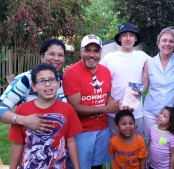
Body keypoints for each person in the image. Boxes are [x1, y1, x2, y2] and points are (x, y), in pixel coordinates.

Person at [8, 63, 82, 169]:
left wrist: (77, 167)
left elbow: (70, 141)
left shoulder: (68, 109)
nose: (47, 84)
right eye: (42, 81)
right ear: (34, 87)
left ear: (58, 83)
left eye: (51, 80)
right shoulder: (22, 110)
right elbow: (17, 143)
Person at [62, 34, 120, 169]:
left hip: (102, 128)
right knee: (81, 166)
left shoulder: (105, 71)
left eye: (96, 51)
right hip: (81, 131)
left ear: (101, 53)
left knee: (98, 166)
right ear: (81, 51)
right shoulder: (71, 73)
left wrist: (117, 105)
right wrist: (106, 109)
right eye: (88, 50)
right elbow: (76, 108)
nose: (92, 55)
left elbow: (107, 96)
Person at [0, 38, 66, 132]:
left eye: (60, 55)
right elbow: (1, 109)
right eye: (51, 54)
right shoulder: (25, 79)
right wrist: (24, 120)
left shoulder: (62, 80)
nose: (56, 58)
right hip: (30, 142)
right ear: (42, 56)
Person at [100, 22, 150, 137]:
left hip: (135, 113)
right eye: (124, 35)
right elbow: (97, 75)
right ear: (119, 38)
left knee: (137, 147)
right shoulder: (110, 57)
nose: (128, 38)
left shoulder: (142, 56)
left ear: (136, 38)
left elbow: (149, 74)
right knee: (115, 148)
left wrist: (132, 99)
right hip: (114, 113)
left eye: (131, 35)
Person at [143, 27, 174, 142]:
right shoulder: (150, 63)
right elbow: (143, 87)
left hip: (170, 115)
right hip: (151, 113)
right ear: (158, 43)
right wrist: (128, 99)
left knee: (168, 146)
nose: (167, 44)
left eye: (171, 41)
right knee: (152, 144)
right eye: (164, 40)